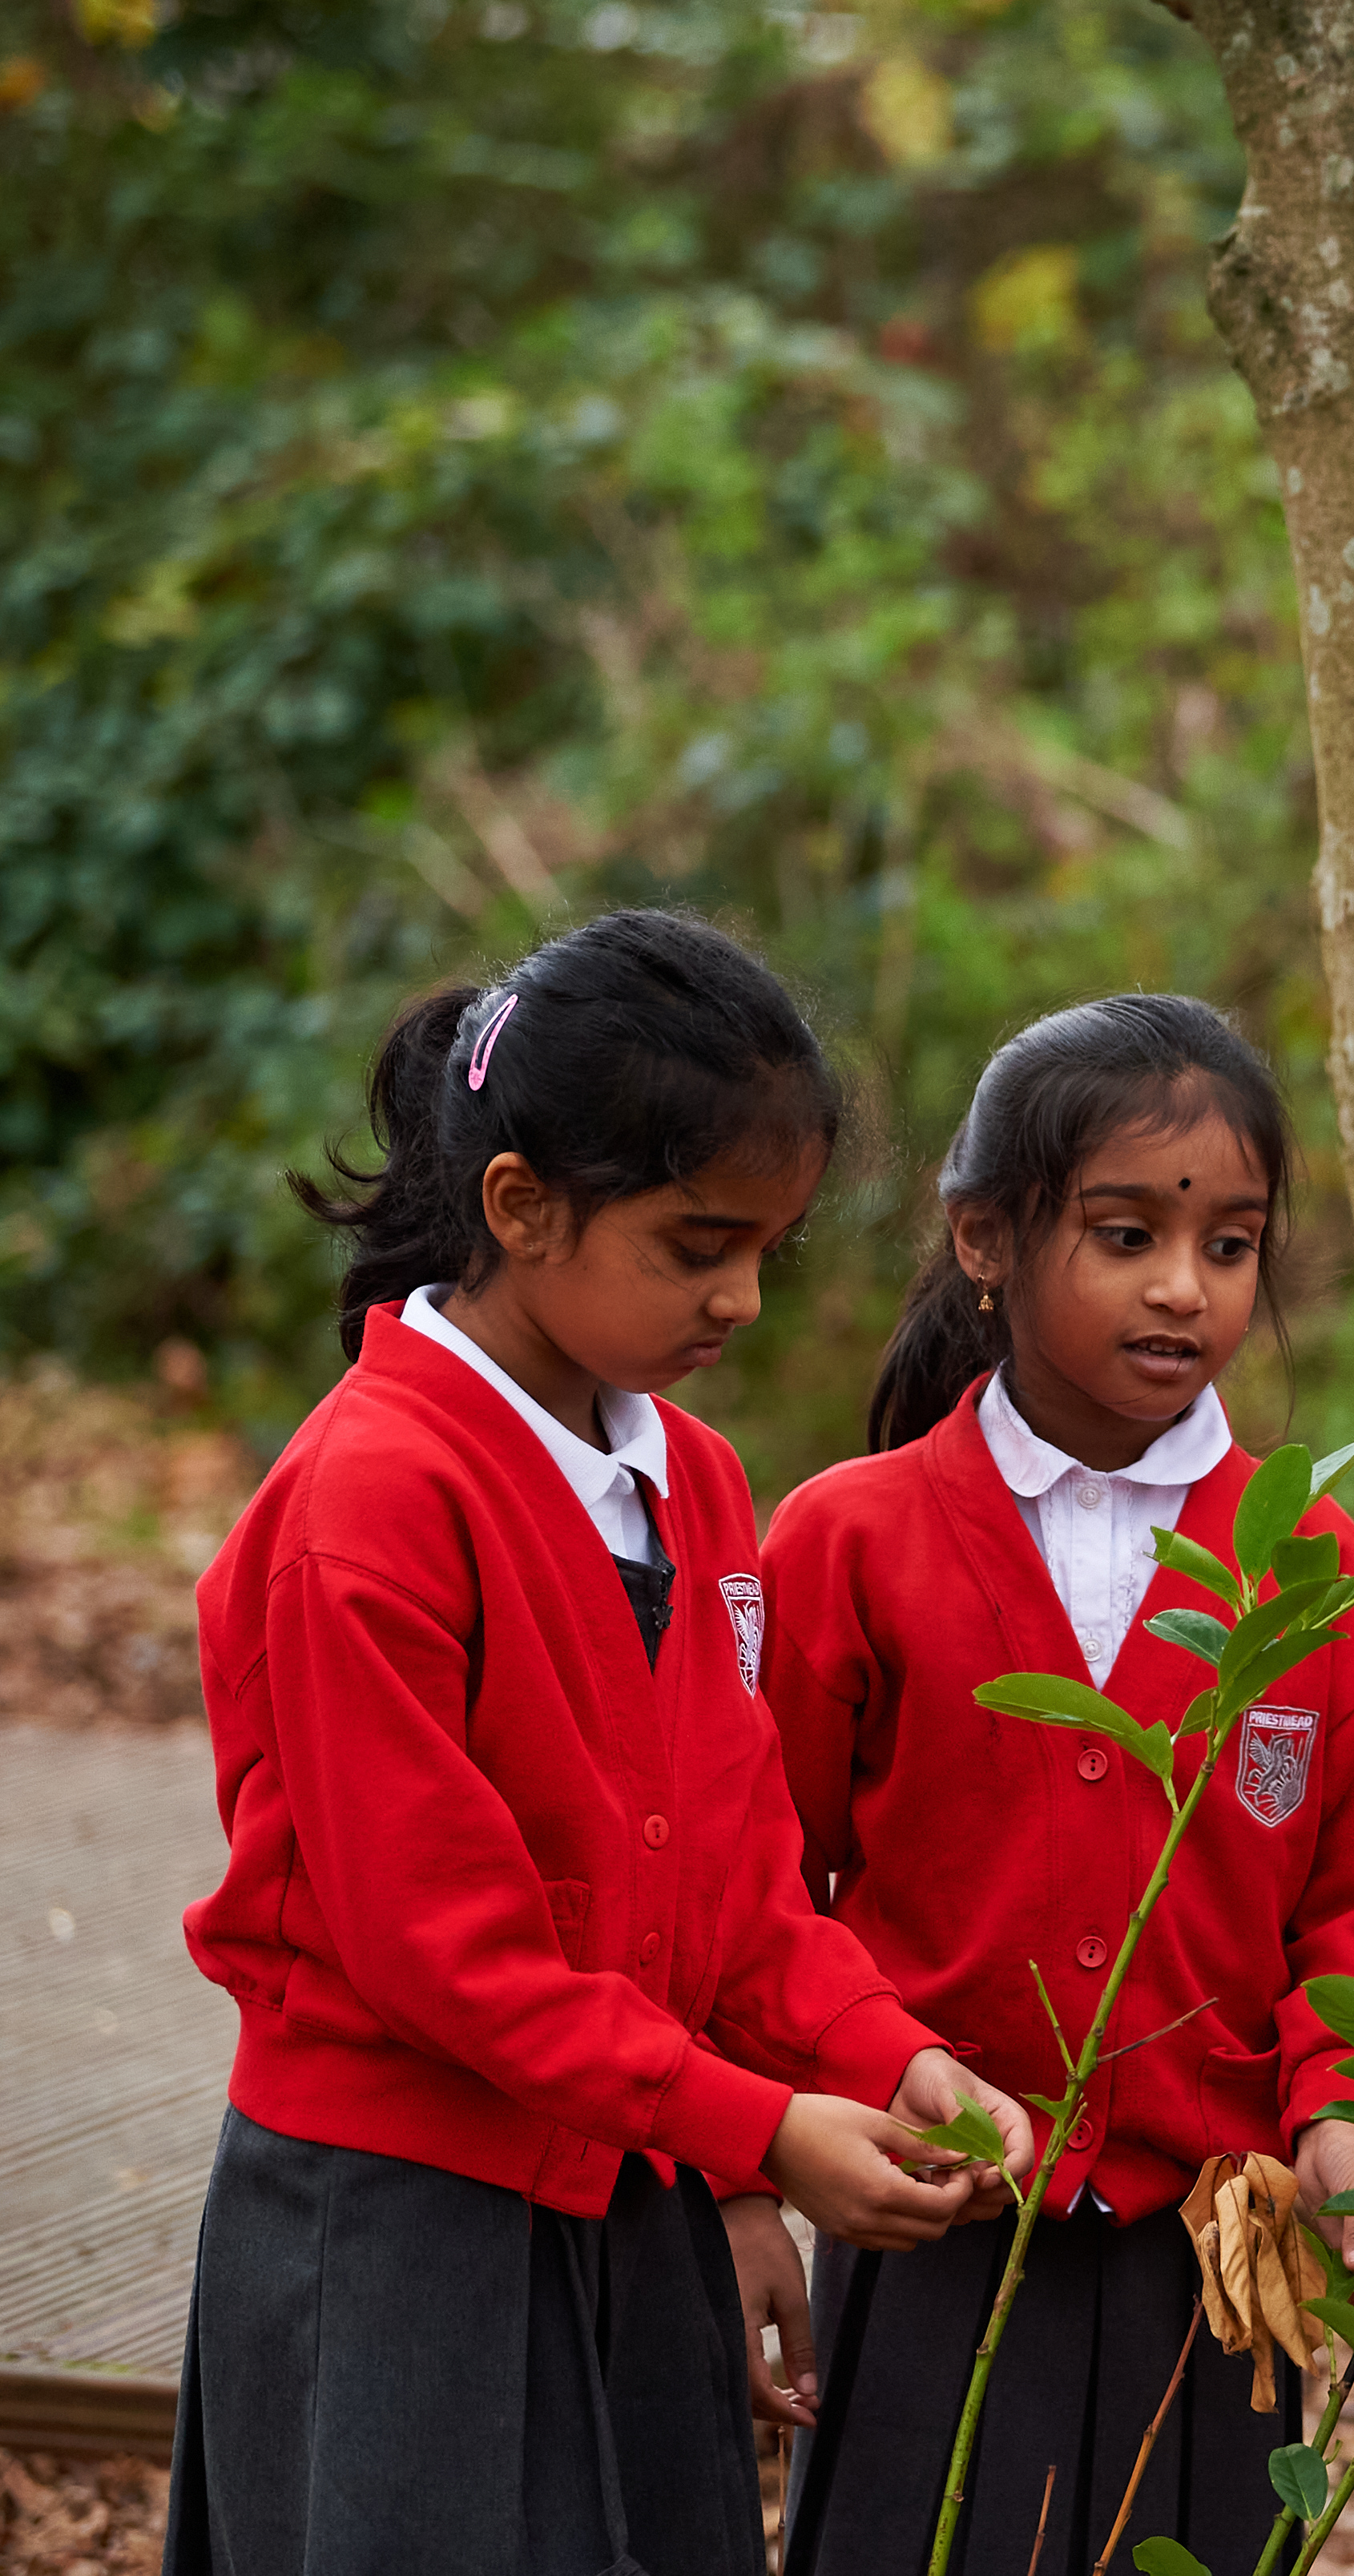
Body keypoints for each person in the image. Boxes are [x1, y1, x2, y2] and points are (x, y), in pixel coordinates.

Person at [170, 910, 1036, 2576]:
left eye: (769, 1246)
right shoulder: (372, 1503)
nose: (745, 1297)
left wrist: (885, 2058)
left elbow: (740, 1882)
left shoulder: (695, 1488)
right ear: (520, 1205)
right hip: (396, 2221)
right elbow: (444, 1953)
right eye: (700, 1244)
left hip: (625, 2194)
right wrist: (759, 2132)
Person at [755, 993, 1354, 2576]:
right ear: (987, 1239)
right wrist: (760, 2153)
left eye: (1229, 1246)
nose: (1182, 1289)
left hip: (1207, 2258)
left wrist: (1352, 2116)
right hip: (922, 2224)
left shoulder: (1322, 1568)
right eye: (1125, 1233)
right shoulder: (846, 1541)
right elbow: (756, 1888)